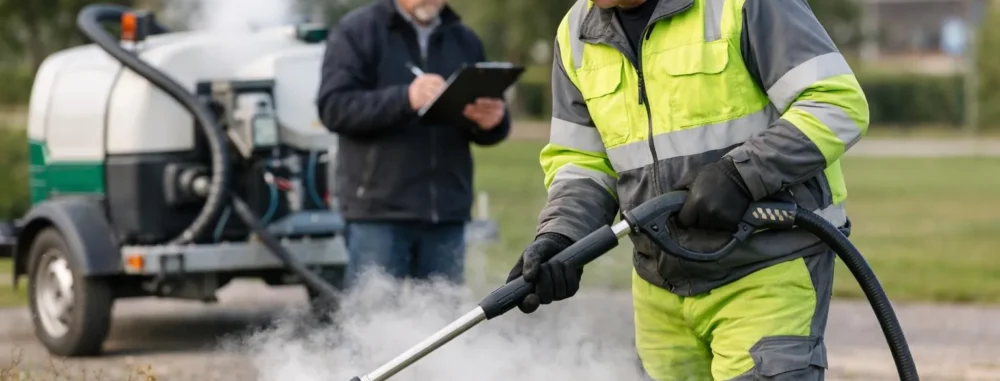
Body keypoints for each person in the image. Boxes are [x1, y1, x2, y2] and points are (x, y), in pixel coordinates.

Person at [505, 0, 868, 380]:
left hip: (765, 269)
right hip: (659, 289)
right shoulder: (576, 31)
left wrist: (741, 174)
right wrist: (563, 235)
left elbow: (836, 104)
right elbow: (581, 160)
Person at [316, 0, 511, 288]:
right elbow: (334, 108)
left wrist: (494, 121)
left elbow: (486, 129)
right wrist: (405, 98)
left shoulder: (464, 39)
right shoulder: (356, 31)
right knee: (373, 325)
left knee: (443, 326)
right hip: (378, 215)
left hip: (447, 214)